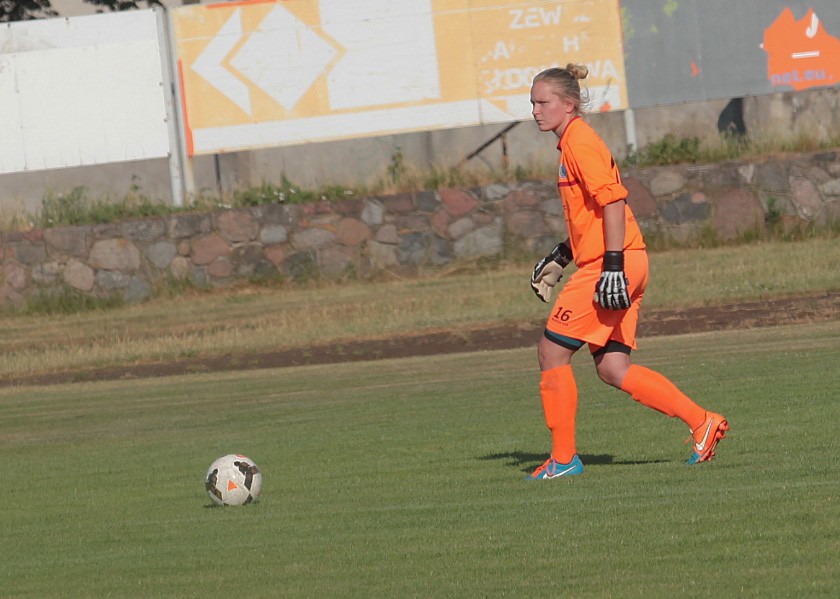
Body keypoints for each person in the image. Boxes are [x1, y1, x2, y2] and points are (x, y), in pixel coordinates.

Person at [525, 64, 729, 479]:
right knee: (612, 367)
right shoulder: (572, 142)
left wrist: (613, 266)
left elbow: (614, 201)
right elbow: (593, 216)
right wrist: (563, 254)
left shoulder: (579, 142)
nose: (535, 111)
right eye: (532, 103)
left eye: (543, 102)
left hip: (611, 263)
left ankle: (563, 460)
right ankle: (703, 421)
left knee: (551, 351)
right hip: (623, 259)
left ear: (569, 104)